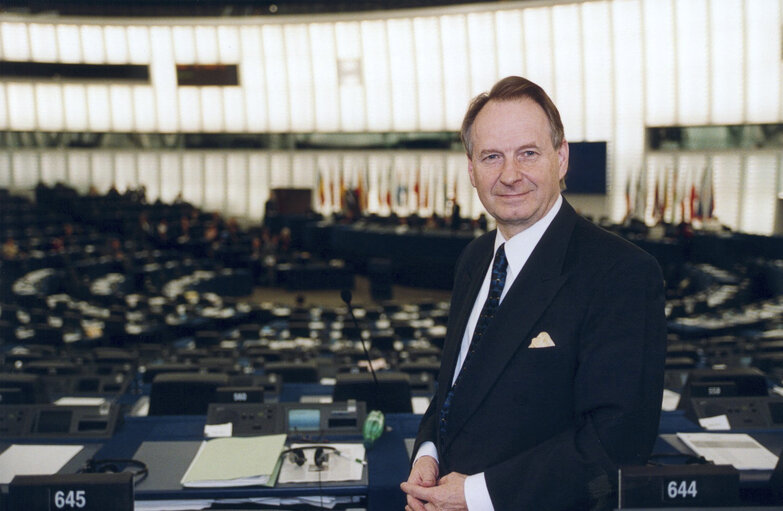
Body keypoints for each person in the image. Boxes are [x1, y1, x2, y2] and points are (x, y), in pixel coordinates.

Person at [401, 76, 666, 510]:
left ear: (561, 158)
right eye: (491, 157)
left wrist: (474, 496)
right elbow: (456, 389)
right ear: (471, 169)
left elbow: (617, 441)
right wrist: (427, 453)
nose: (510, 175)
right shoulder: (473, 260)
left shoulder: (622, 273)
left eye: (528, 153)